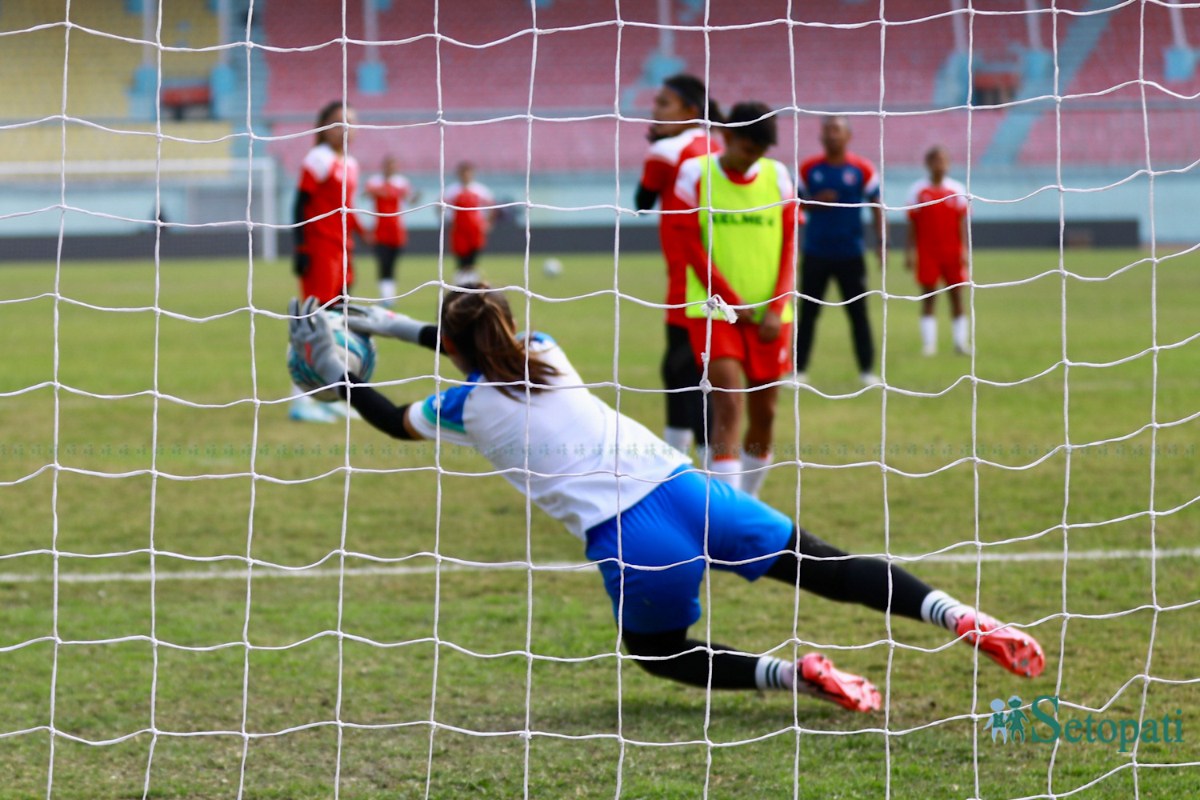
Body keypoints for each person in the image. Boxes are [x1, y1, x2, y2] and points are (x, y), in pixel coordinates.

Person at [286, 287, 1047, 712]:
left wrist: (336, 371)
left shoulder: (461, 408)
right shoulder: (547, 350)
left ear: (455, 351)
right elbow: (484, 341)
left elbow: (391, 421)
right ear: (511, 324)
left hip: (633, 538)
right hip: (690, 491)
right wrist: (393, 321)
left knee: (659, 655)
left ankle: (798, 675)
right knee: (830, 565)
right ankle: (960, 615)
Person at [674, 102, 797, 497]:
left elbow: (790, 245)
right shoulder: (695, 174)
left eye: (760, 152)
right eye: (747, 149)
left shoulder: (778, 177)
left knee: (766, 413)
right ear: (726, 137)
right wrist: (729, 302)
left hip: (770, 317)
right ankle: (727, 514)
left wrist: (776, 308)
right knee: (728, 403)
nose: (753, 159)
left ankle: (748, 500)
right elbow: (689, 246)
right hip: (712, 311)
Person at [634, 73, 723, 462]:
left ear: (690, 110)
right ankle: (695, 462)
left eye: (664, 104)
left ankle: (691, 465)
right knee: (696, 370)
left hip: (689, 277)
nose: (655, 111)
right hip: (720, 271)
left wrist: (656, 144)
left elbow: (641, 200)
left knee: (681, 370)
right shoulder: (716, 146)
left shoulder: (668, 150)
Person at [290, 100, 367, 423]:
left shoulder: (350, 163)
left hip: (342, 249)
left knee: (337, 322)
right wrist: (300, 248)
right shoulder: (317, 159)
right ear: (323, 126)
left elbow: (346, 208)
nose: (344, 129)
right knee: (313, 321)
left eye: (350, 122)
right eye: (337, 122)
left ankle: (328, 394)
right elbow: (299, 205)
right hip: (320, 249)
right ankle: (300, 400)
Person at [794, 115, 884, 387]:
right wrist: (815, 202)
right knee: (807, 314)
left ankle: (867, 371)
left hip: (851, 254)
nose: (832, 135)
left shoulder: (863, 169)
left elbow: (877, 206)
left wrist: (882, 243)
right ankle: (799, 372)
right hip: (815, 253)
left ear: (848, 136)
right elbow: (794, 204)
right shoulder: (808, 168)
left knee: (858, 314)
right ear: (821, 136)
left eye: (837, 130)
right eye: (828, 130)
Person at [906, 145, 970, 356]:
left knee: (956, 297)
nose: (939, 165)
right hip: (927, 252)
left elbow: (962, 223)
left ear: (948, 164)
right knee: (928, 296)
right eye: (935, 160)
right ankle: (929, 345)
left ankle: (960, 343)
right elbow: (912, 224)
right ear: (928, 164)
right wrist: (910, 252)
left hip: (952, 252)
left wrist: (964, 250)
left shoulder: (957, 190)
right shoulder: (918, 190)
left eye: (943, 160)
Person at [365, 155, 419, 307]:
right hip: (380, 229)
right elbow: (366, 194)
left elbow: (410, 199)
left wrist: (416, 197)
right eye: (388, 165)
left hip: (396, 229)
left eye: (393, 165)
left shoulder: (401, 183)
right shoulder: (375, 181)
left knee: (393, 263)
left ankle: (390, 294)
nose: (391, 168)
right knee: (383, 262)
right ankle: (385, 295)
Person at [443, 162, 495, 285]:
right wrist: (446, 221)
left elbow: (492, 206)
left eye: (468, 172)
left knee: (473, 260)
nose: (465, 175)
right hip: (459, 230)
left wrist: (488, 223)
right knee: (461, 260)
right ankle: (461, 287)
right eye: (463, 173)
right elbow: (440, 207)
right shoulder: (452, 191)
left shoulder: (480, 190)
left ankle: (472, 287)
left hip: (475, 230)